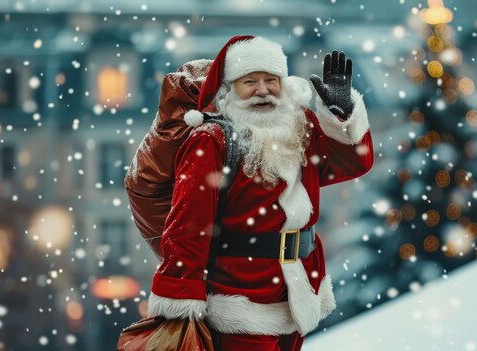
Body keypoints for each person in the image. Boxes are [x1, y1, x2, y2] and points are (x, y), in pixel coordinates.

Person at [146, 35, 374, 351]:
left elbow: (352, 162)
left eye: (271, 80)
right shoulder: (211, 140)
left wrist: (341, 114)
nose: (263, 89)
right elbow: (188, 225)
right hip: (237, 297)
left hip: (297, 289)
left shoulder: (300, 125)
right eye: (249, 81)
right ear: (229, 89)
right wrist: (181, 297)